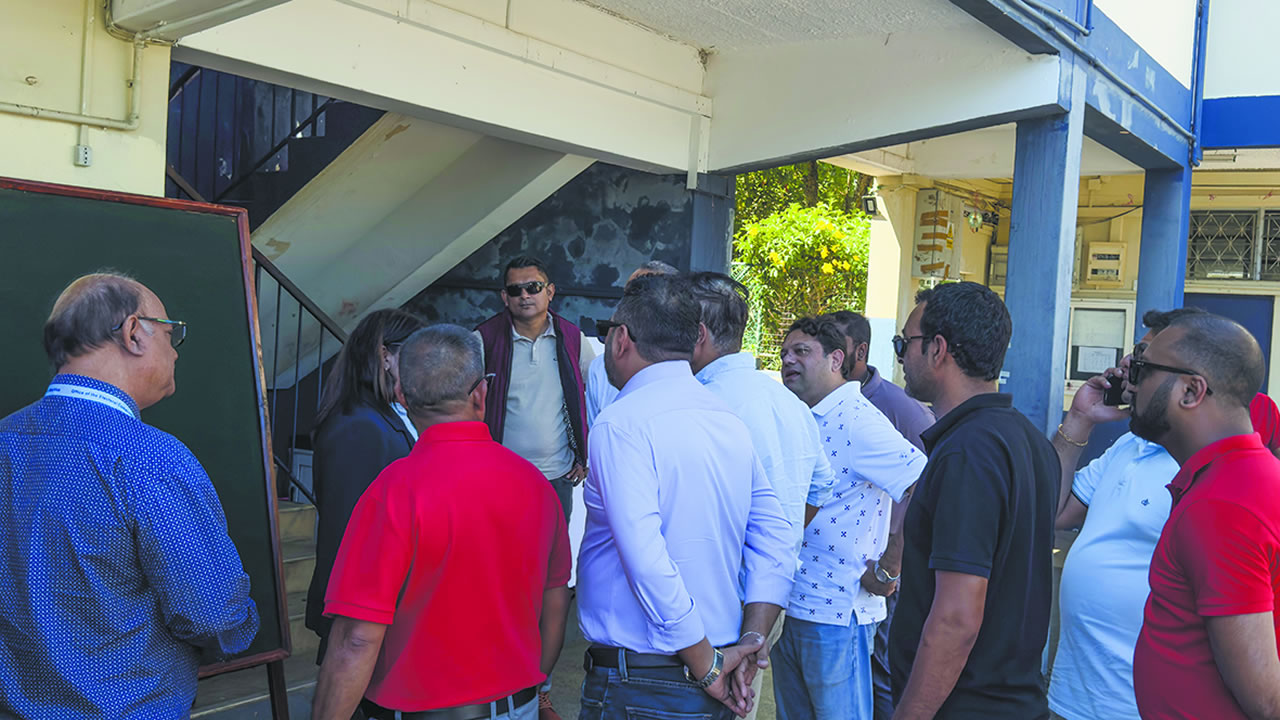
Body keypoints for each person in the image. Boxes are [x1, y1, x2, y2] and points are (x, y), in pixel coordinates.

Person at [0, 272, 259, 717]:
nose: (175, 350)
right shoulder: (151, 460)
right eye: (170, 332)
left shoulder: (6, 439)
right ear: (134, 332)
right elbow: (214, 615)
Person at [312, 324, 572, 720]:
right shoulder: (537, 485)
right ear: (480, 394)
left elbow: (356, 638)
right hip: (519, 706)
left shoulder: (392, 492)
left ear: (401, 395)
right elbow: (555, 604)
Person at [578, 274, 794, 719]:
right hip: (711, 663)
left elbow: (646, 557)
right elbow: (775, 535)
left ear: (620, 340)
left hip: (648, 678)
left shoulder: (621, 424)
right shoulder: (724, 418)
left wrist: (706, 664)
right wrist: (751, 641)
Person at [889, 281, 1059, 720]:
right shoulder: (1025, 437)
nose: (901, 357)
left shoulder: (970, 450)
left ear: (937, 349)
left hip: (965, 705)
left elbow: (956, 619)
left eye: (903, 343)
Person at [687, 273, 838, 720]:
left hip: (712, 606)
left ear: (696, 334)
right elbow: (821, 487)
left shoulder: (701, 403)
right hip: (767, 603)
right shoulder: (788, 402)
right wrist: (784, 536)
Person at [773, 317, 926, 720]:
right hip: (787, 604)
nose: (788, 360)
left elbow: (924, 485)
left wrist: (891, 567)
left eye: (802, 352)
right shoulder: (801, 416)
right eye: (784, 353)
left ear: (836, 358)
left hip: (836, 611)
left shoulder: (860, 420)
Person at [1131, 312, 1280, 720]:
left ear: (1191, 391)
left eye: (1143, 367)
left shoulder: (1223, 503)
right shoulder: (1235, 476)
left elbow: (1267, 700)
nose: (1130, 379)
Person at [824, 309, 935, 720]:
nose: (825, 358)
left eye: (834, 350)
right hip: (832, 584)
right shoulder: (815, 402)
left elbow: (929, 486)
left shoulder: (897, 407)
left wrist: (892, 565)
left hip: (881, 576)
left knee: (882, 678)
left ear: (859, 352)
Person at [305, 308, 425, 662]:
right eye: (416, 352)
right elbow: (347, 533)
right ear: (385, 356)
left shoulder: (383, 416)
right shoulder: (358, 426)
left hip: (376, 612)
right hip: (360, 618)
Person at [474, 255, 593, 527]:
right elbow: (464, 404)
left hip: (557, 475)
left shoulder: (573, 339)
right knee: (502, 560)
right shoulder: (484, 339)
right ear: (505, 297)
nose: (524, 296)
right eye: (515, 290)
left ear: (550, 291)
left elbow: (597, 397)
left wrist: (583, 453)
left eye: (534, 288)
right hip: (499, 476)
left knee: (553, 562)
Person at [585, 260, 680, 425]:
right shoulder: (600, 368)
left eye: (647, 294)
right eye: (630, 294)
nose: (634, 303)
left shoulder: (691, 368)